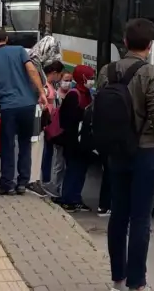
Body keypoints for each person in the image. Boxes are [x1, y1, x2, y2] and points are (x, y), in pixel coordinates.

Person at [97, 18, 154, 291]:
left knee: (119, 215)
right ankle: (137, 283)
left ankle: (118, 278)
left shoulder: (107, 70)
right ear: (149, 46)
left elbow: (100, 104)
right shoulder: (151, 72)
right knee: (141, 218)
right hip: (146, 150)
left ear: (125, 42)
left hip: (116, 150)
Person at [0, 27, 48, 196]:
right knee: (25, 142)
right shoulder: (20, 51)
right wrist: (41, 92)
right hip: (28, 105)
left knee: (8, 145)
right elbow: (32, 70)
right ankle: (22, 183)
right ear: (7, 38)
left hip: (8, 108)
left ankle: (7, 184)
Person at [54, 64, 96, 212]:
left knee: (81, 171)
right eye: (90, 78)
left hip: (83, 141)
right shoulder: (74, 95)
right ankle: (67, 199)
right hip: (73, 141)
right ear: (82, 78)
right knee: (73, 170)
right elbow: (67, 120)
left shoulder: (87, 94)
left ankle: (76, 198)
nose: (92, 81)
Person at [25, 36, 63, 197]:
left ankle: (34, 179)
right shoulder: (34, 68)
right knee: (35, 147)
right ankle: (31, 181)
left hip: (38, 116)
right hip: (35, 115)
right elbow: (37, 92)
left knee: (37, 148)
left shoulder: (36, 66)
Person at [43, 70, 74, 197]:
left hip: (68, 134)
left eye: (70, 80)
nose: (68, 83)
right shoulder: (56, 95)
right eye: (66, 80)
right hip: (58, 133)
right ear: (60, 80)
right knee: (59, 162)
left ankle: (60, 187)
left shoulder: (73, 94)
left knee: (66, 162)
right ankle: (54, 187)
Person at [35, 60, 64, 197]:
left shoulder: (48, 83)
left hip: (48, 123)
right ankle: (45, 180)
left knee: (47, 152)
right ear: (54, 73)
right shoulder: (45, 84)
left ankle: (44, 179)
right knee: (46, 153)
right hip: (45, 124)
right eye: (60, 75)